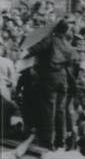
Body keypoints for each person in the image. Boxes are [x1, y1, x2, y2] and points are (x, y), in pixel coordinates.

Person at [31, 19, 76, 150]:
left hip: (49, 77)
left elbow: (35, 49)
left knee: (48, 109)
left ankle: (47, 141)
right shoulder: (68, 45)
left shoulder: (50, 39)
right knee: (60, 110)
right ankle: (60, 140)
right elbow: (71, 63)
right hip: (63, 78)